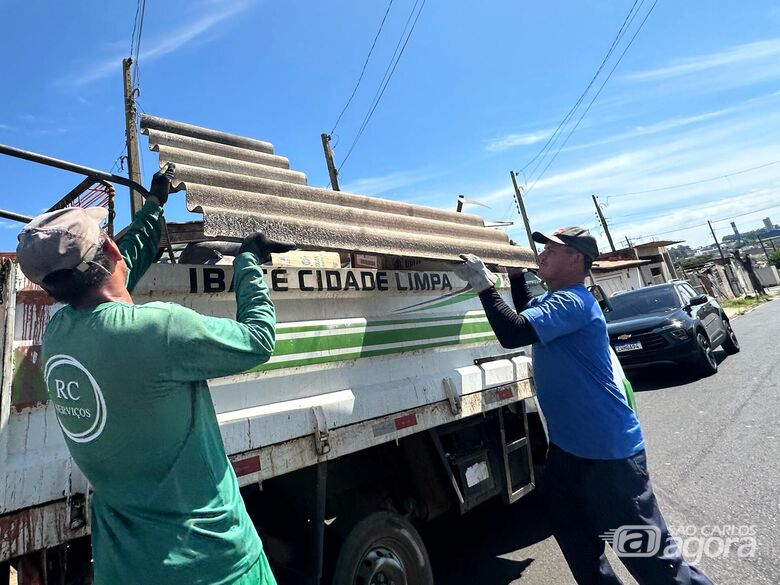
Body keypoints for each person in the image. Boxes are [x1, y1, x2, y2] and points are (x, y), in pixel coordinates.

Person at [16, 164, 293, 585]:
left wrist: (154, 206)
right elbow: (257, 340)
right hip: (213, 564)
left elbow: (121, 271)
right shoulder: (159, 330)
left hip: (125, 569)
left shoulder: (58, 334)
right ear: (111, 251)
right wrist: (249, 262)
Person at [455, 227, 715, 585]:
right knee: (572, 530)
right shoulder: (553, 301)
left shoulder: (574, 301)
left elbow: (513, 332)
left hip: (607, 452)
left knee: (646, 553)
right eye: (541, 248)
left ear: (576, 258)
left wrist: (484, 285)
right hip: (569, 449)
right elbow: (526, 311)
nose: (541, 254)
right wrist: (516, 276)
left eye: (551, 249)